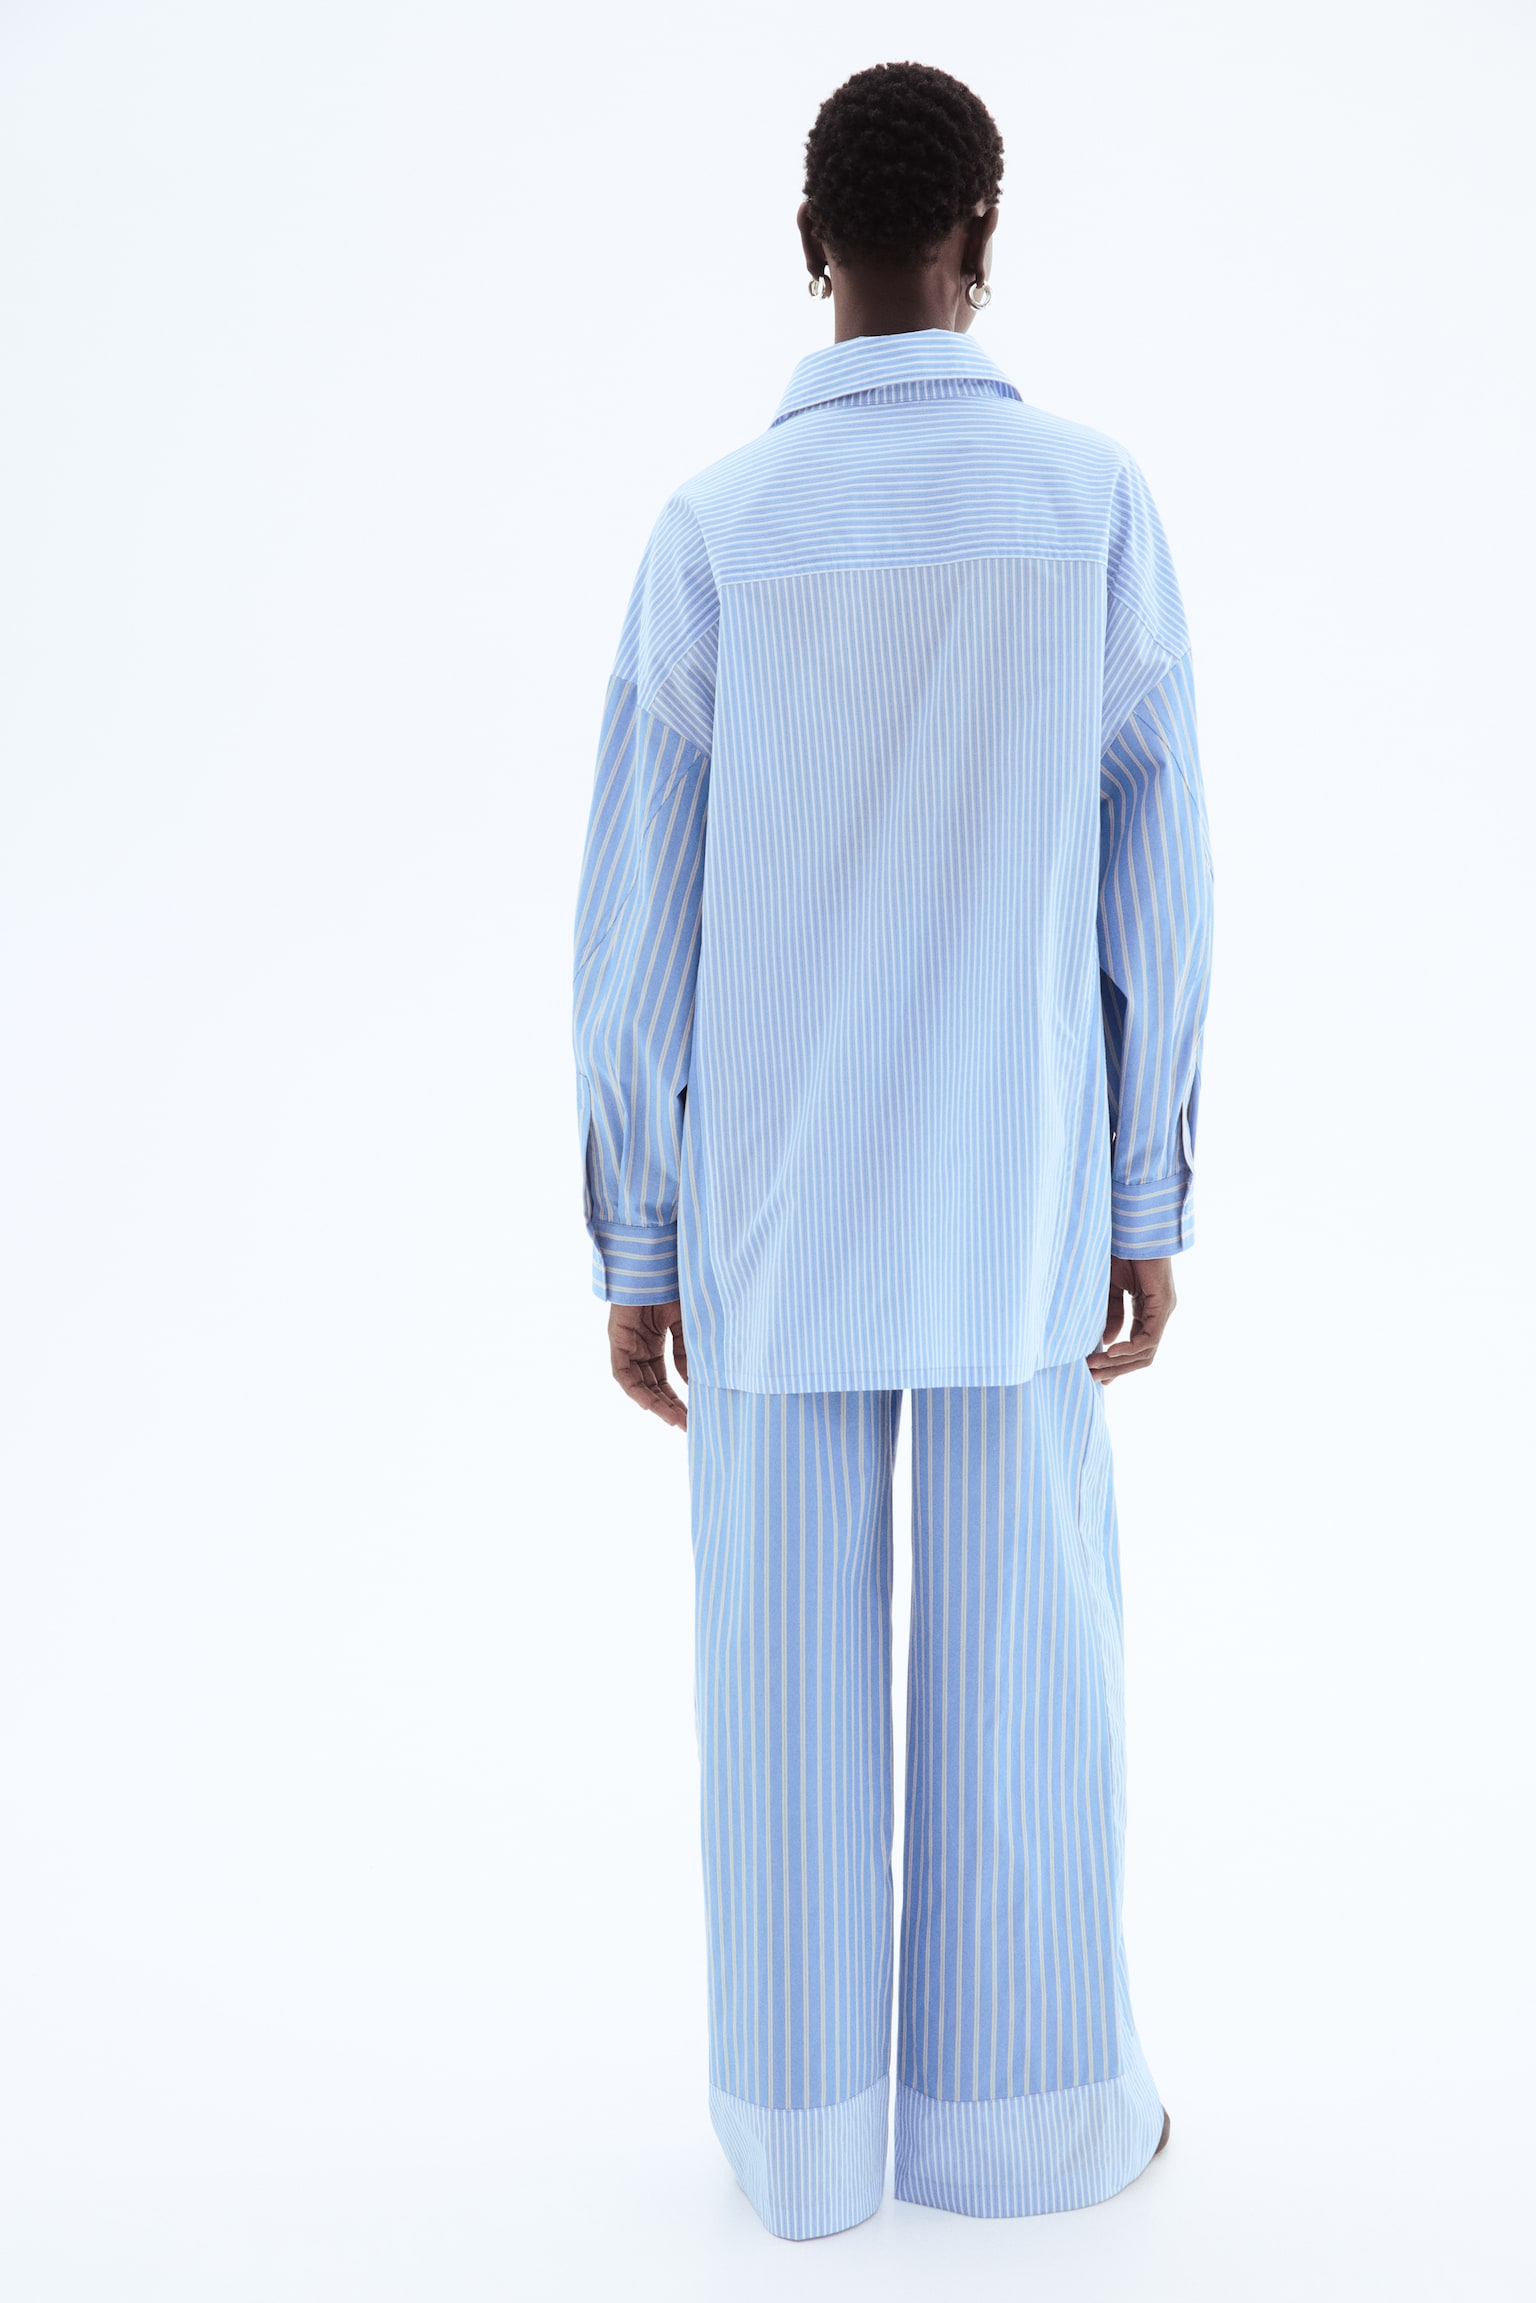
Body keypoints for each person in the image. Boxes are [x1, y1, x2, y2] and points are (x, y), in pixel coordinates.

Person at [571, 59, 1213, 2240]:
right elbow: (1161, 874)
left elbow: (635, 921)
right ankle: (1028, 2130)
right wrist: (1146, 1187)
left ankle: (805, 2150)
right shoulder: (1089, 503)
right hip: (1017, 1181)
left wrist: (639, 1231)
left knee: (775, 1697)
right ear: (983, 239)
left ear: (811, 250)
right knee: (1032, 1674)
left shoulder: (717, 533)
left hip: (770, 1206)